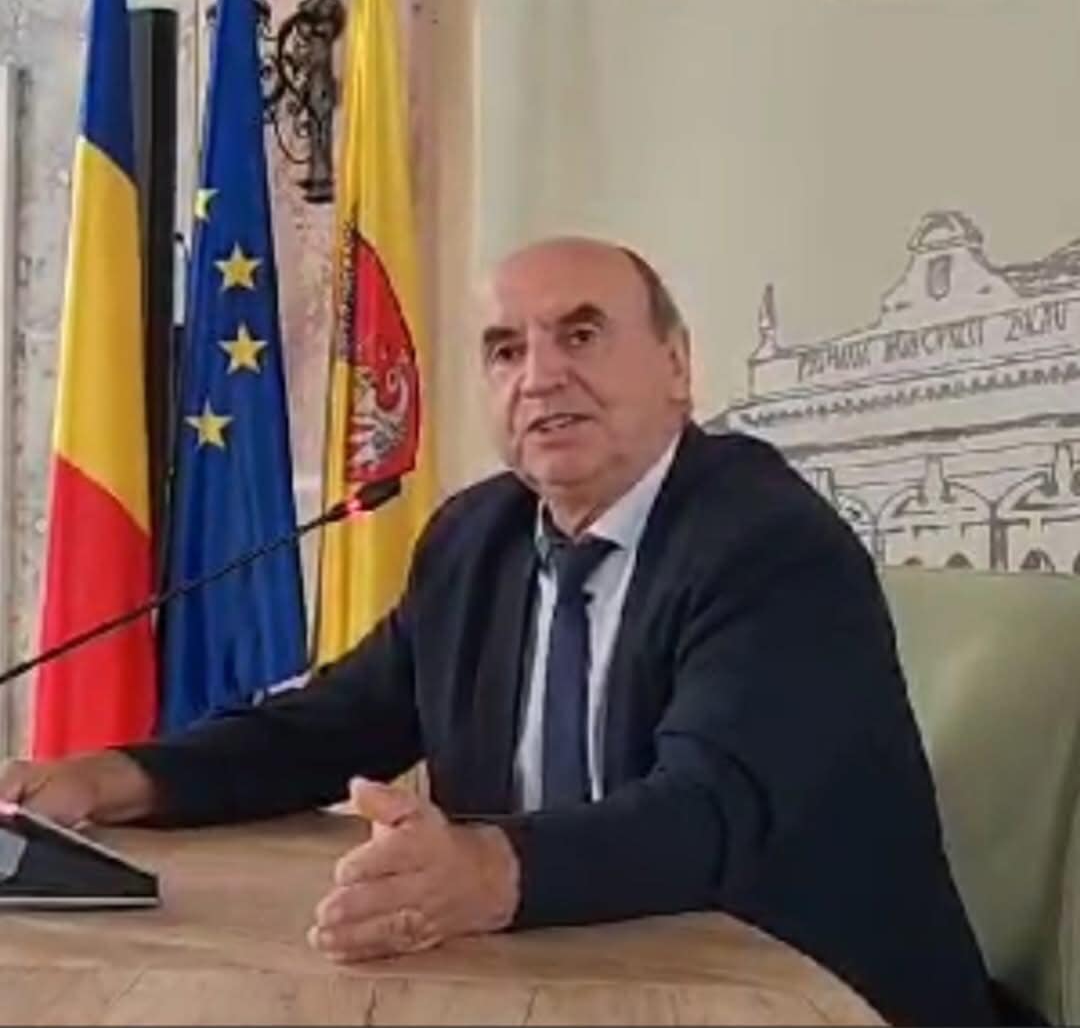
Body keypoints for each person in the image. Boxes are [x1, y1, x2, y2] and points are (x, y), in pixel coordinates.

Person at [1, 238, 995, 1025]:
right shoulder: (477, 538)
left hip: (803, 1000)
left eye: (582, 334)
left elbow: (708, 814)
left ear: (678, 366)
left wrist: (482, 871)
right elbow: (333, 725)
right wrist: (113, 778)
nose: (541, 376)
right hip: (562, 985)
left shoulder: (769, 543)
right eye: (506, 350)